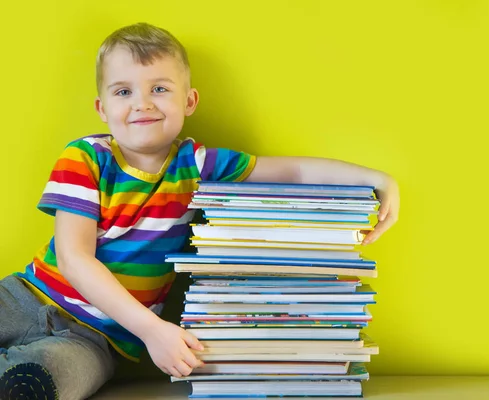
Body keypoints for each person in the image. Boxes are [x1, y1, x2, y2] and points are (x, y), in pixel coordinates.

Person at [0, 22, 400, 400]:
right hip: (26, 297)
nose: (141, 104)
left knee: (32, 385)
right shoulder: (86, 157)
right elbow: (74, 259)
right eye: (123, 92)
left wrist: (378, 179)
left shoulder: (196, 165)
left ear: (188, 101)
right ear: (102, 108)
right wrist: (155, 330)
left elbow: (292, 169)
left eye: (159, 88)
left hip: (98, 340)